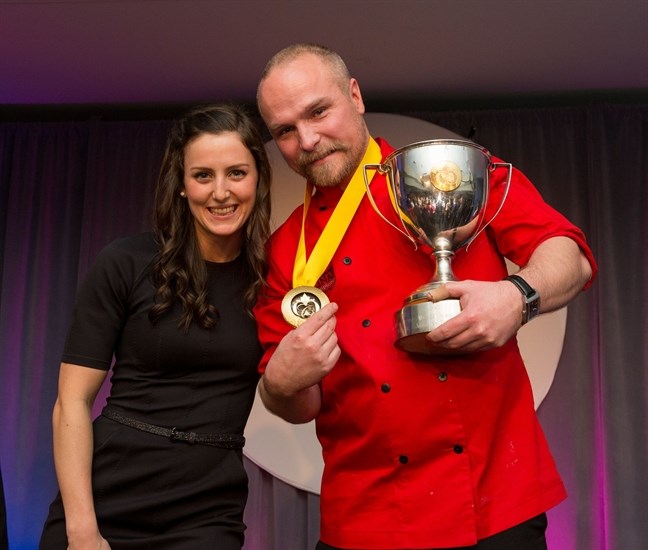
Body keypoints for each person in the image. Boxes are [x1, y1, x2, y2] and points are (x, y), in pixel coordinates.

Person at [253, 43, 597, 550]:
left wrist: (516, 295)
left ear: (355, 95)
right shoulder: (286, 250)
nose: (307, 139)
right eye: (284, 130)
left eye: (318, 111)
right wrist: (279, 386)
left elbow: (570, 255)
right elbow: (301, 405)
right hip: (365, 516)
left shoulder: (452, 176)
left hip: (493, 503)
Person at [39, 103, 272, 549]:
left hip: (208, 507)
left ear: (258, 179)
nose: (220, 192)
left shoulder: (274, 280)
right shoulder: (125, 262)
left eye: (236, 173)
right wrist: (82, 530)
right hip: (108, 495)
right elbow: (71, 402)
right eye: (203, 175)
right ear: (182, 185)